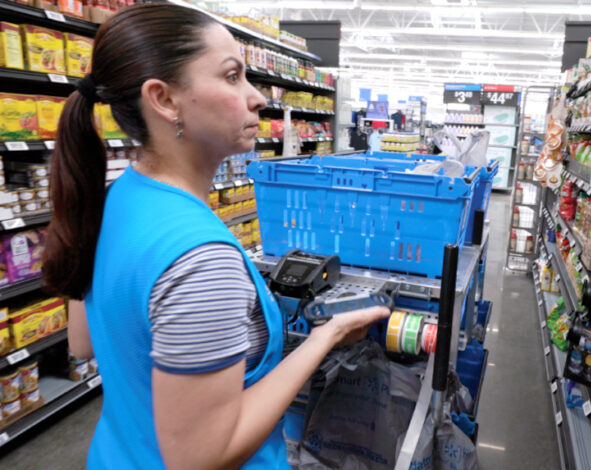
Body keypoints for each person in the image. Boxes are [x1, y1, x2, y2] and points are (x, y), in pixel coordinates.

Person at [42, 4, 390, 469]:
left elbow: (83, 344)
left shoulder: (116, 199)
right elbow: (201, 457)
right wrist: (324, 339)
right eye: (232, 77)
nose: (257, 97)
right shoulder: (200, 258)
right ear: (164, 100)